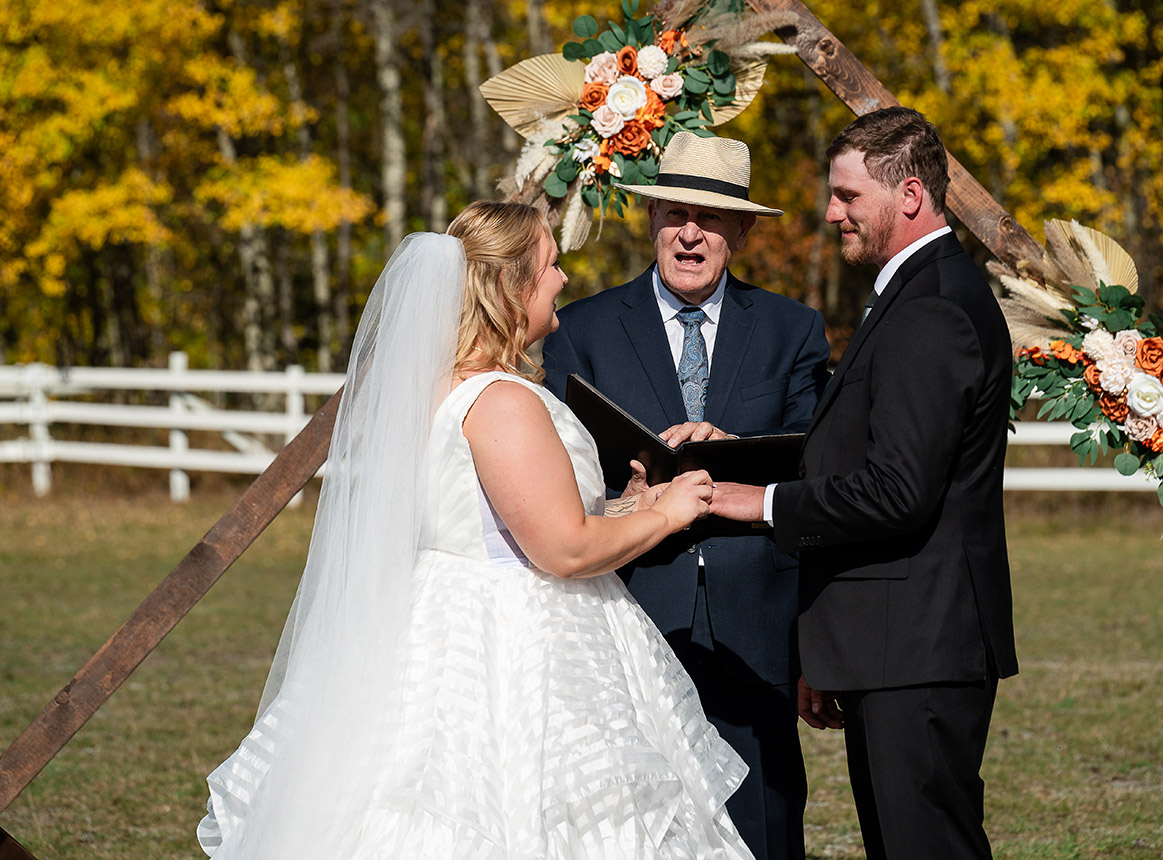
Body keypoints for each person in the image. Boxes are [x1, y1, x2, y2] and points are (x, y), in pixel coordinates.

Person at [197, 201, 755, 859]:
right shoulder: (502, 401)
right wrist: (670, 513)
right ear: (512, 287)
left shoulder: (436, 388)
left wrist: (631, 505)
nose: (563, 281)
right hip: (513, 649)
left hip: (437, 621)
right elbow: (562, 548)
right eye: (551, 266)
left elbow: (494, 523)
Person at [712, 107, 1019, 860]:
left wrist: (762, 504)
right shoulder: (916, 293)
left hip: (918, 647)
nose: (830, 212)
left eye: (848, 196)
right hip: (892, 646)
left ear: (908, 194)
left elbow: (896, 490)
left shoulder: (932, 310)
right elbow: (853, 451)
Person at [542, 132, 831, 860]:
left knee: (761, 813)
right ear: (650, 221)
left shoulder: (792, 330)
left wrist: (729, 448)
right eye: (674, 213)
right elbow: (556, 469)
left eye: (708, 218)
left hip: (757, 617)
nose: (689, 233)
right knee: (640, 816)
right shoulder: (580, 329)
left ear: (742, 229)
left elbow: (816, 468)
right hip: (631, 607)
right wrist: (631, 490)